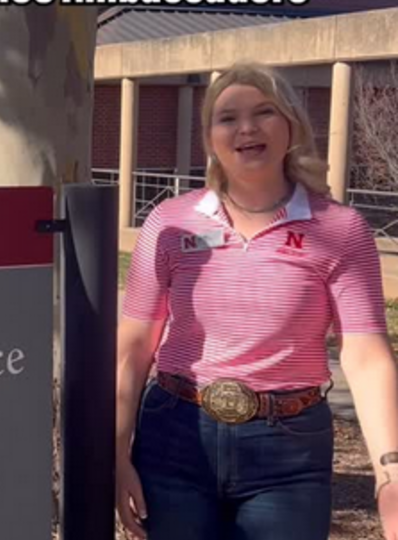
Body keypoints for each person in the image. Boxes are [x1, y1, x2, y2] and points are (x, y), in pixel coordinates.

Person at [115, 61, 398, 540]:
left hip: (288, 451)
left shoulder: (340, 230)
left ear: (291, 125)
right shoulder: (170, 223)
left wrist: (390, 474)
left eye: (264, 112)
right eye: (227, 117)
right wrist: (115, 452)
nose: (246, 128)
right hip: (175, 438)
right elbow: (134, 345)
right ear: (210, 138)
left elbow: (366, 357)